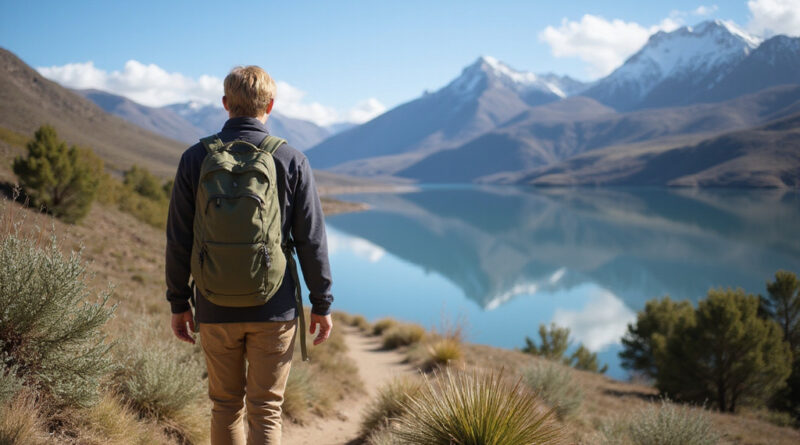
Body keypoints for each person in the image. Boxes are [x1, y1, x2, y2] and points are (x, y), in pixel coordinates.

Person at [165, 65, 334, 445]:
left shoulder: (195, 158)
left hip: (213, 304)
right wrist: (322, 302)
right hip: (274, 308)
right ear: (270, 105)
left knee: (224, 405)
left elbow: (178, 238)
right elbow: (311, 239)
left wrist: (179, 302)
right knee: (266, 408)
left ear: (225, 104)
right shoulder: (291, 159)